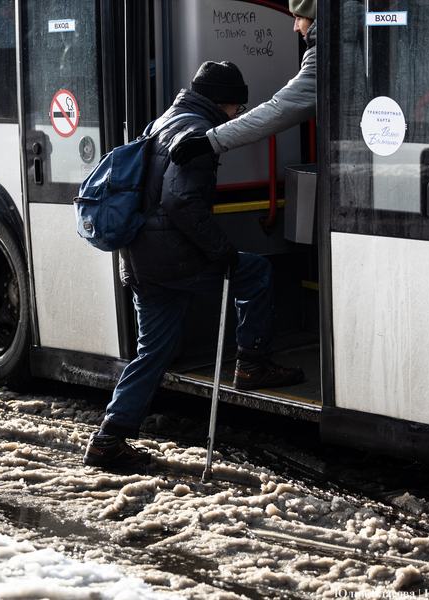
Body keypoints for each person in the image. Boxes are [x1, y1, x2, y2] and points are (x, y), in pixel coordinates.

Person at [83, 62, 305, 471]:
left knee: (152, 352)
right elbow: (179, 200)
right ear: (227, 101)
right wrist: (223, 253)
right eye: (239, 105)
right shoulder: (196, 136)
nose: (239, 113)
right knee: (254, 272)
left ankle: (108, 440)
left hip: (140, 258)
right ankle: (252, 364)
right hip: (174, 258)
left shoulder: (164, 120)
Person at [170, 0, 317, 166]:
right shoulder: (330, 47)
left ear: (316, 18)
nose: (295, 27)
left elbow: (279, 110)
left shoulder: (323, 54)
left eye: (299, 18)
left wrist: (210, 141)